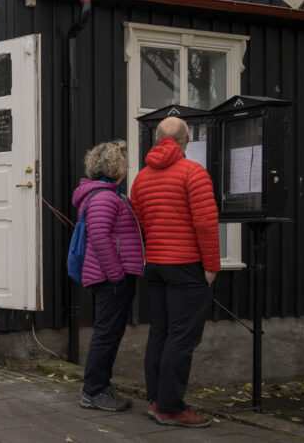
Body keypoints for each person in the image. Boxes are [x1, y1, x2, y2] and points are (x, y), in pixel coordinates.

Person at [130, 116, 219, 428]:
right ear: (187, 138)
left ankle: (157, 399)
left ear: (157, 139)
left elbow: (140, 222)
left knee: (161, 332)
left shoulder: (140, 179)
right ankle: (170, 407)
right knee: (182, 337)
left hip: (155, 265)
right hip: (186, 266)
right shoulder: (194, 173)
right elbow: (205, 223)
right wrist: (211, 265)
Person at [73, 140, 144, 412]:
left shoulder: (110, 194)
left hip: (115, 275)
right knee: (106, 334)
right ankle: (93, 392)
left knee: (110, 333)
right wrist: (116, 274)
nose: (127, 166)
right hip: (112, 277)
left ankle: (101, 387)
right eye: (124, 161)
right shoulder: (104, 197)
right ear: (115, 166)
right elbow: (101, 238)